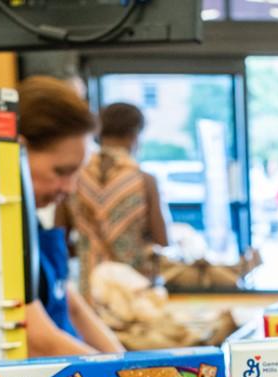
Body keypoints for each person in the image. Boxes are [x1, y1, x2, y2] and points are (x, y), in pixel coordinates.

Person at [17, 76, 124, 357]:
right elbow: (38, 338)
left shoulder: (33, 221)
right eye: (61, 172)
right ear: (17, 150)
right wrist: (121, 376)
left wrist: (125, 362)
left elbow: (72, 305)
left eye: (76, 173)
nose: (70, 188)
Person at [64, 102, 169, 296]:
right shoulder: (143, 180)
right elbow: (162, 239)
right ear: (134, 135)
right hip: (133, 290)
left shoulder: (74, 177)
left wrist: (89, 246)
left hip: (91, 293)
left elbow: (60, 237)